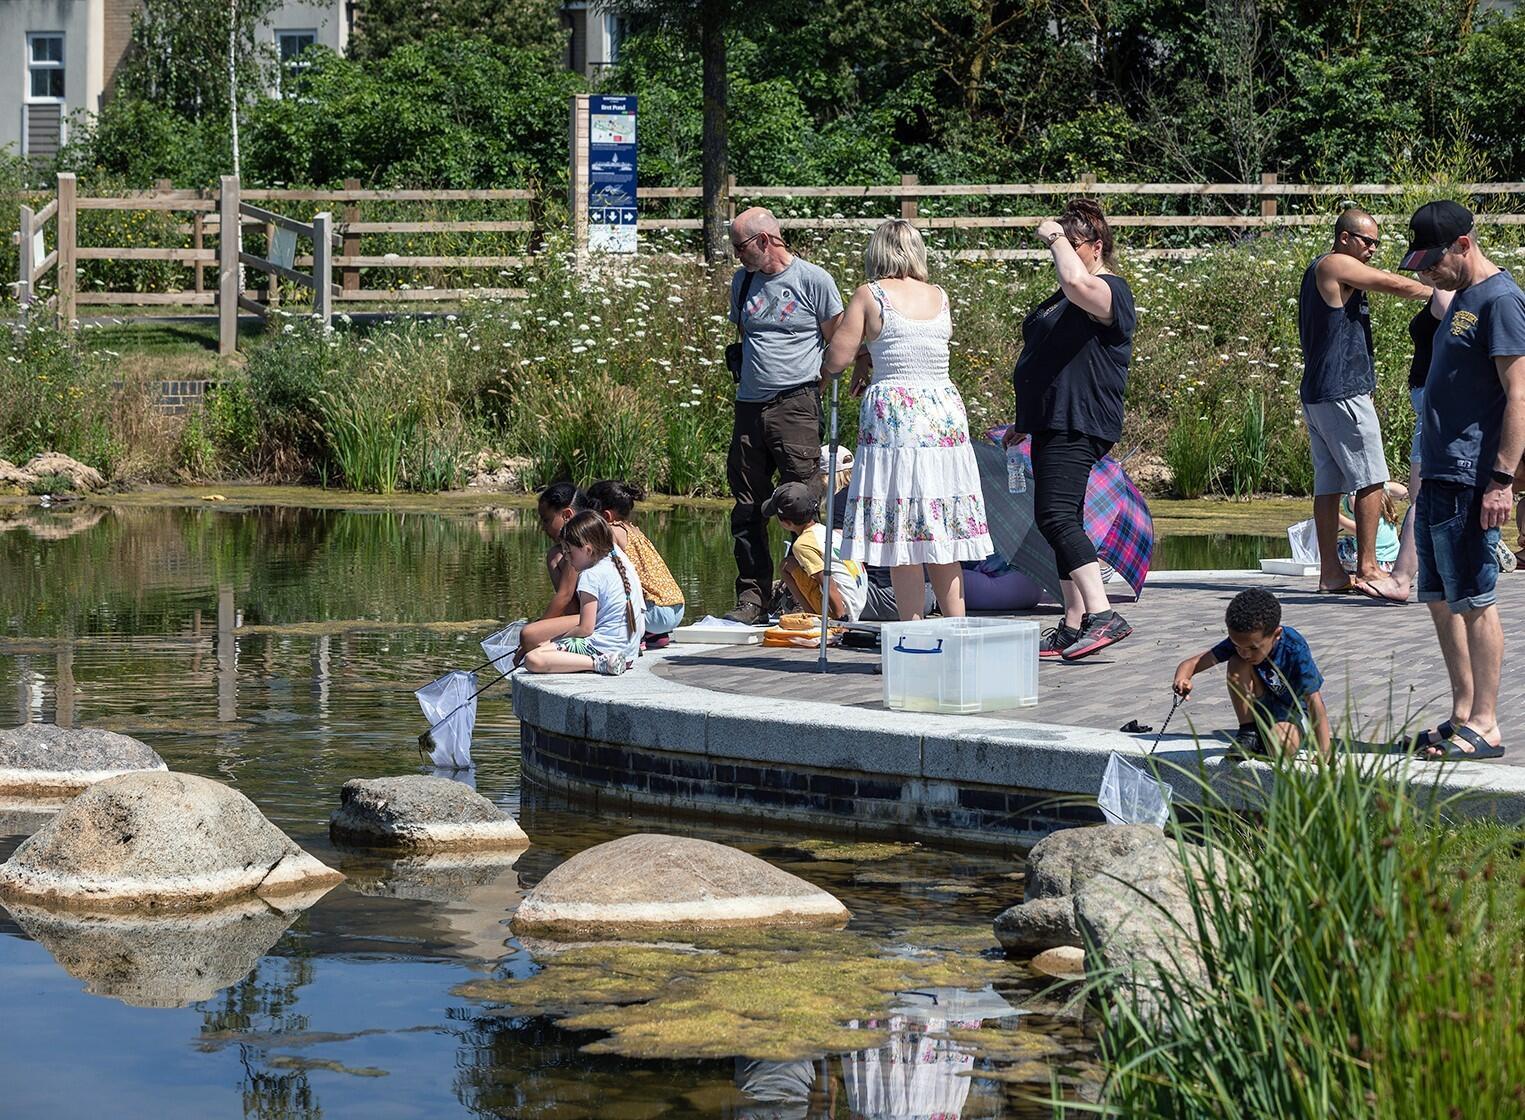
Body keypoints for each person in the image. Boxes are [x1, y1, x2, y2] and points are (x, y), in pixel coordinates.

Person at [1397, 200, 1525, 761]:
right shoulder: (1464, 299)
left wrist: (1501, 479)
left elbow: (1520, 395)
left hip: (1474, 476)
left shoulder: (1501, 301)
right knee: (1440, 597)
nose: (1425, 272)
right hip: (1440, 471)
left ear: (1464, 245)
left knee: (1474, 596)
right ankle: (1462, 713)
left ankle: (1488, 724)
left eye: (1433, 261)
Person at [821, 218, 993, 622]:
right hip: (941, 410)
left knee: (901, 531)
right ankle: (956, 628)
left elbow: (837, 359)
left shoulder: (870, 294)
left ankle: (912, 632)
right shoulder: (939, 295)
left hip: (896, 412)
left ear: (877, 253)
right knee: (940, 529)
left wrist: (855, 353)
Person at [1006, 199, 1135, 660]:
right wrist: (1027, 420)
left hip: (1078, 420)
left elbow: (1077, 282)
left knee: (1055, 516)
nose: (1059, 250)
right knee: (1062, 518)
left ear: (1095, 247)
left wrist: (1056, 237)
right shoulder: (1067, 294)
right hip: (1052, 421)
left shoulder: (1110, 290)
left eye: (1072, 242)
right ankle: (1074, 622)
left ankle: (1102, 615)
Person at [1296, 207, 1431, 601]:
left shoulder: (1323, 270)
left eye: (1376, 242)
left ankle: (1331, 573)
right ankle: (1369, 567)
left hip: (1320, 392)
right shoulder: (1335, 264)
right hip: (1342, 390)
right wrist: (1447, 289)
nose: (1373, 249)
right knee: (1371, 478)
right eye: (1367, 241)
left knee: (1329, 483)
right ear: (1344, 237)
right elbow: (1396, 285)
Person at [724, 206, 845, 625]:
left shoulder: (814, 281)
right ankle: (752, 599)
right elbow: (743, 335)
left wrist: (815, 389)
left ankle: (804, 591)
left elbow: (839, 343)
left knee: (801, 501)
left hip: (796, 405)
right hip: (749, 406)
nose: (736, 255)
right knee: (746, 505)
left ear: (764, 241)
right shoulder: (742, 282)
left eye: (740, 246)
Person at [1172, 588, 1332, 760]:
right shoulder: (1243, 643)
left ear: (1276, 634)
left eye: (1253, 648)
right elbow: (1192, 663)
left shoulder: (1294, 648)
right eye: (1237, 645)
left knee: (1280, 747)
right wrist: (1182, 678)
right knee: (1237, 662)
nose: (1245, 652)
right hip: (1260, 708)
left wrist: (1324, 749)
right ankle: (1249, 733)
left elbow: (1314, 699)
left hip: (1292, 712)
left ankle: (1271, 739)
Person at [522, 510, 645, 676]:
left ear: (588, 550)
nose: (566, 557)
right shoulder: (617, 560)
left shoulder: (590, 575)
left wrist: (554, 642)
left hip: (604, 648)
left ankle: (600, 663)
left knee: (533, 658)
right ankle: (607, 660)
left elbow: (585, 628)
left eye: (569, 551)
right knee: (543, 650)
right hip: (628, 651)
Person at [587, 479, 686, 649]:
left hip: (654, 614)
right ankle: (655, 635)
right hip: (677, 609)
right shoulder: (635, 530)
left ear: (606, 516)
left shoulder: (611, 531)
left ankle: (635, 635)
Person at [764, 481, 868, 622]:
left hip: (844, 608)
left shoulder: (802, 544)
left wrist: (840, 619)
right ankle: (822, 615)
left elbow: (826, 580)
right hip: (858, 603)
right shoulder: (825, 532)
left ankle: (814, 618)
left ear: (787, 523)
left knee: (786, 566)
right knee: (791, 563)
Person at [518, 481, 595, 657]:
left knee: (530, 635)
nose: (543, 527)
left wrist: (541, 628)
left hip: (598, 619)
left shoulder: (579, 543)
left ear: (567, 515)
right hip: (591, 616)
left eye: (546, 520)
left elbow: (565, 595)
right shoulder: (595, 531)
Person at [1336, 484, 1403, 573]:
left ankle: (1349, 568)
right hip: (1393, 562)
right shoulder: (1378, 492)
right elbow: (1403, 491)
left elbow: (1361, 529)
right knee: (1350, 540)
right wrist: (1381, 483)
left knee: (1337, 546)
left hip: (1375, 562)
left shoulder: (1355, 495)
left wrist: (1337, 518)